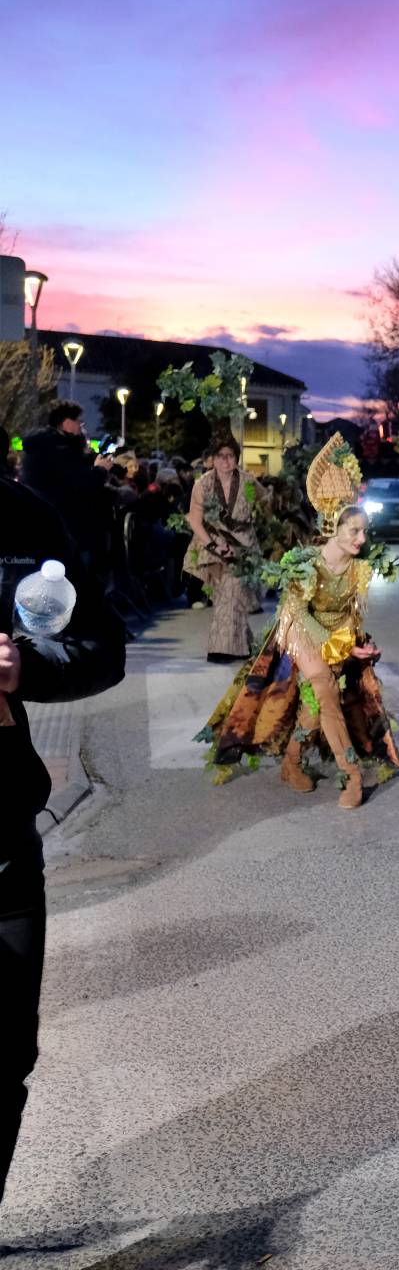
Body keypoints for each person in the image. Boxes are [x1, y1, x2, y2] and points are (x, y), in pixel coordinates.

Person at [0, 474, 126, 1205]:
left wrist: (26, 666)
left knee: (5, 1056)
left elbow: (100, 647)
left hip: (4, 845)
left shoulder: (24, 516)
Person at [197, 434, 399, 808]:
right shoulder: (307, 562)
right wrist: (328, 641)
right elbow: (293, 612)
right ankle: (351, 775)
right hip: (301, 631)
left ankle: (291, 762)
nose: (362, 538)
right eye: (354, 531)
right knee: (323, 687)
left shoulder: (358, 569)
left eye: (363, 531)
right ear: (333, 529)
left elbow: (353, 615)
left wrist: (358, 646)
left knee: (315, 706)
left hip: (337, 636)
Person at [185, 434, 262, 662]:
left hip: (243, 547)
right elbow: (195, 520)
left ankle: (224, 648)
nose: (225, 461)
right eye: (220, 456)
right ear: (213, 459)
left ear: (236, 458)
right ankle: (239, 645)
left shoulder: (248, 481)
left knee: (232, 593)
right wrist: (212, 544)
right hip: (212, 548)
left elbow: (263, 502)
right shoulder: (203, 485)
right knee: (226, 596)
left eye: (230, 456)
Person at [18, 402, 112, 574]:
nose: (81, 427)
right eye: (79, 422)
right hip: (67, 529)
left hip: (42, 527)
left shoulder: (38, 448)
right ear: (67, 423)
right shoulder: (60, 450)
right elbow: (80, 484)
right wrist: (100, 469)